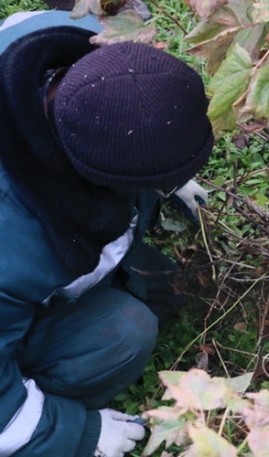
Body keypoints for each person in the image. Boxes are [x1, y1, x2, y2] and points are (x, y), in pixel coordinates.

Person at [0, 5, 214, 457]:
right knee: (123, 331)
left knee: (161, 287)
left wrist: (165, 168)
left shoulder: (72, 38)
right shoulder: (10, 240)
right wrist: (76, 434)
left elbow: (128, 110)